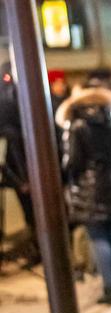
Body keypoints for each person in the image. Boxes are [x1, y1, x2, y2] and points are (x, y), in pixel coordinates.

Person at [57, 76, 111, 304]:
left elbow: (72, 162)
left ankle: (110, 288)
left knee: (98, 237)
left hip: (89, 189)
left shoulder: (77, 124)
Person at [0, 63, 38, 266]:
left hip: (24, 172)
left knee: (34, 215)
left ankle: (38, 250)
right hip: (20, 173)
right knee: (31, 215)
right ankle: (36, 249)